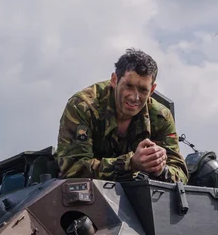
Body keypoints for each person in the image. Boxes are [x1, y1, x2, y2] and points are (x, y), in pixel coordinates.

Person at [55, 49, 188, 183]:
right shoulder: (83, 106)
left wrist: (160, 169)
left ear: (152, 90)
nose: (134, 97)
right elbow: (72, 169)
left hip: (138, 198)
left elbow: (180, 173)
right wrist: (130, 164)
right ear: (114, 80)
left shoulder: (161, 117)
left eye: (143, 90)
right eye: (128, 86)